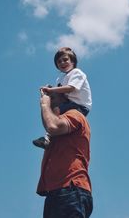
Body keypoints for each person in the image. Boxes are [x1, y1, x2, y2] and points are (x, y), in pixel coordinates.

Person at [37, 89, 93, 218]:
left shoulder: (75, 115)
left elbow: (52, 126)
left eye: (53, 99)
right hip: (57, 192)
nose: (50, 102)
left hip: (70, 189)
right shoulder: (54, 135)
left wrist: (44, 104)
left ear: (65, 98)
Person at [33, 47, 92, 149]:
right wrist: (50, 91)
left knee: (56, 111)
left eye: (65, 60)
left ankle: (48, 137)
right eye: (59, 61)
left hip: (79, 106)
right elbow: (60, 94)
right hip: (68, 103)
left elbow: (70, 88)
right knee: (53, 107)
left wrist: (52, 90)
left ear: (73, 61)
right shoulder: (60, 78)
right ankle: (49, 136)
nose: (62, 63)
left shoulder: (77, 72)